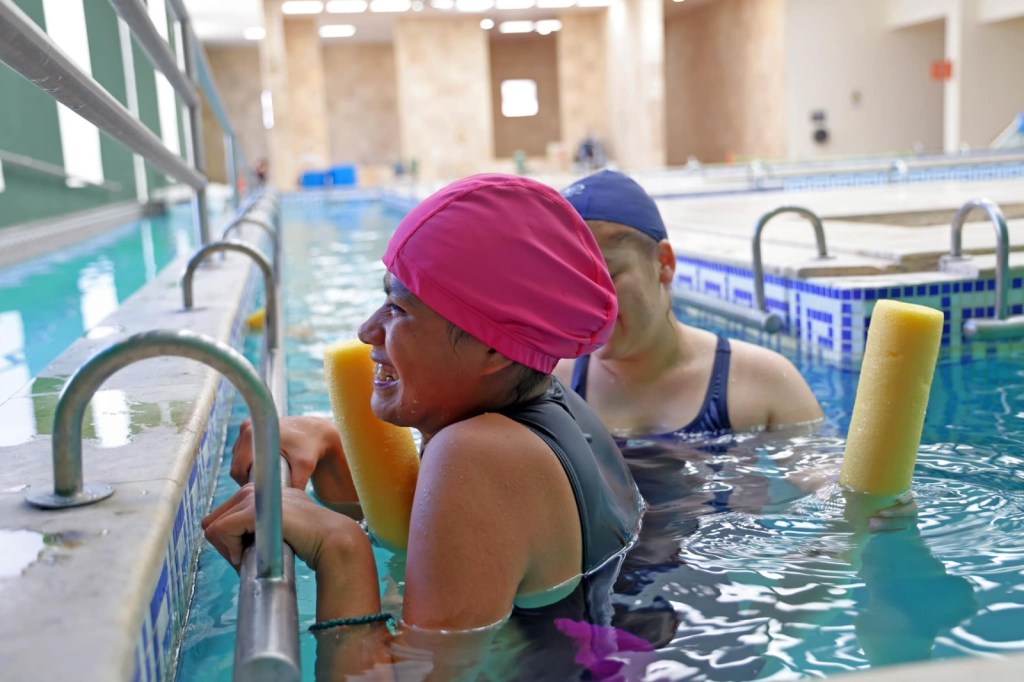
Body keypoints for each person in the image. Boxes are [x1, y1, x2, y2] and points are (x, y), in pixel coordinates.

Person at [202, 174, 645, 678]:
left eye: (398, 308)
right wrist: (331, 443)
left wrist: (339, 550)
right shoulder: (551, 401)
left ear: (494, 348)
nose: (367, 330)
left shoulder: (477, 454)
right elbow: (447, 533)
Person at [555, 169, 824, 438]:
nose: (584, 303)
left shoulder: (762, 382)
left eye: (606, 276)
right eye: (569, 281)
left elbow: (824, 478)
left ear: (664, 263)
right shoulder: (552, 384)